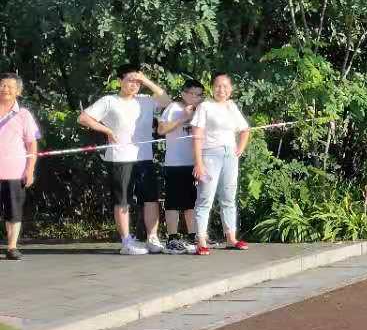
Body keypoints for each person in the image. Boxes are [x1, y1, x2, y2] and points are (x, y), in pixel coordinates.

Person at [78, 67, 171, 255]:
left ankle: (152, 238)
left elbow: (167, 101)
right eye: (130, 80)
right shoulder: (109, 101)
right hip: (120, 157)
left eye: (137, 82)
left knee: (151, 199)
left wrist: (146, 80)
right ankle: (126, 242)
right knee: (123, 200)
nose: (134, 85)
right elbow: (83, 118)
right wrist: (106, 130)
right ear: (120, 81)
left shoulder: (146, 101)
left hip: (144, 157)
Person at [190, 74, 252, 254]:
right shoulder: (205, 106)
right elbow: (197, 136)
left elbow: (245, 129)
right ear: (212, 88)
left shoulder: (232, 106)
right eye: (218, 86)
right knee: (205, 198)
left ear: (231, 89)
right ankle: (201, 240)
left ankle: (231, 237)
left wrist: (239, 149)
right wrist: (198, 163)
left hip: (229, 155)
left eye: (225, 86)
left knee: (228, 197)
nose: (221, 90)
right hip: (210, 155)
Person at [156, 79, 204, 254]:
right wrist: (182, 118)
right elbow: (161, 130)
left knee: (192, 202)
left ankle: (192, 236)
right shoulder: (174, 108)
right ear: (184, 94)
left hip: (194, 163)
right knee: (174, 202)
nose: (196, 97)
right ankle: (172, 238)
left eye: (199, 95)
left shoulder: (201, 111)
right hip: (175, 163)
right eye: (193, 94)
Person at [0, 73, 40, 260]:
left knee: (13, 211)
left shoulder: (24, 115)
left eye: (9, 86)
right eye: (2, 85)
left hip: (14, 172)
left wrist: (29, 170)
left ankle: (12, 247)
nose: (5, 89)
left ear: (18, 91)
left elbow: (32, 144)